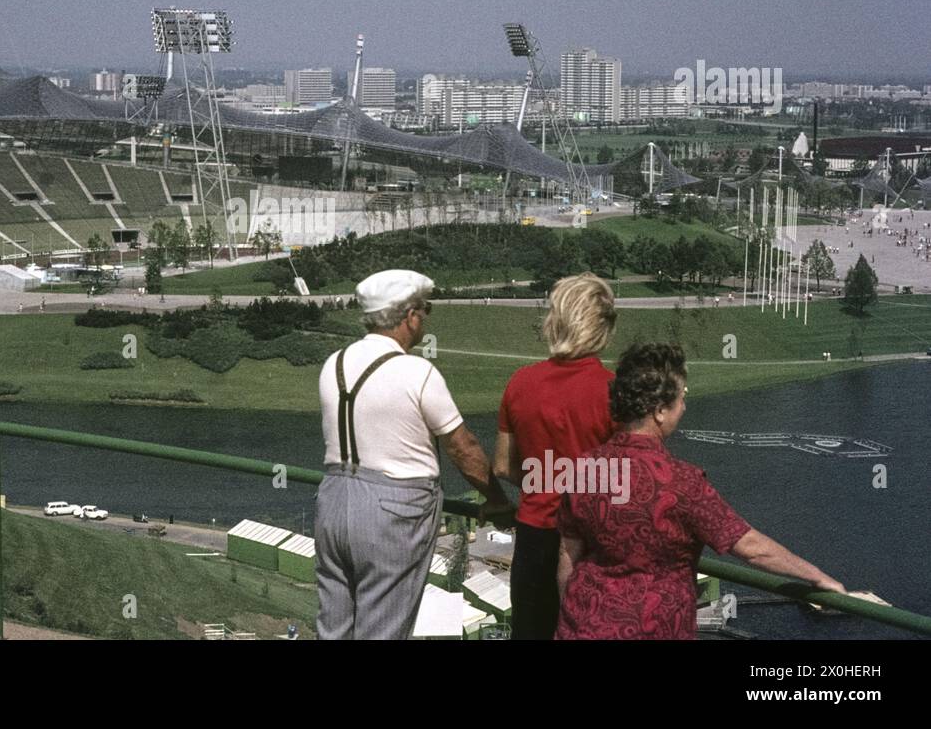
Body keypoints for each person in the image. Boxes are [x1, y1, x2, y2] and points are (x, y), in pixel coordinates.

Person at [556, 342, 845, 640]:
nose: (684, 406)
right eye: (682, 397)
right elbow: (752, 549)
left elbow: (567, 555)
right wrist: (818, 576)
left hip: (581, 628)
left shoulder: (582, 468)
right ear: (658, 411)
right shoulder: (683, 482)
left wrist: (572, 615)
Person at [315, 269, 504, 640]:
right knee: (382, 629)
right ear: (409, 316)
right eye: (424, 311)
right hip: (394, 511)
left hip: (333, 501)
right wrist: (497, 499)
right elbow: (463, 448)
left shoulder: (333, 364)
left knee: (334, 628)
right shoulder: (417, 372)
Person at [491, 272, 617, 640]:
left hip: (534, 536)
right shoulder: (614, 390)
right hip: (593, 541)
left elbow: (501, 465)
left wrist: (546, 480)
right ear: (602, 326)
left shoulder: (521, 382)